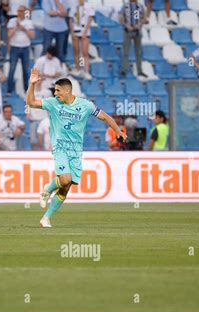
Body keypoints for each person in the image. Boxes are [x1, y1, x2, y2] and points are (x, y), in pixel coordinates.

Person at [26, 69, 127, 228]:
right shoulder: (53, 104)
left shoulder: (85, 105)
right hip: (60, 147)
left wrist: (118, 130)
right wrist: (31, 85)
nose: (55, 94)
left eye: (58, 90)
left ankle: (46, 218)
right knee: (64, 179)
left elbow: (105, 117)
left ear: (67, 91)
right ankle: (47, 189)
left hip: (76, 151)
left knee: (66, 187)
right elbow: (31, 102)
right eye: (54, 91)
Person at [6, 5, 35, 96]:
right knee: (12, 69)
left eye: (22, 11)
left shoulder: (29, 22)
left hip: (25, 48)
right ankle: (9, 90)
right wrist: (16, 27)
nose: (20, 12)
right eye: (18, 11)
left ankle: (26, 89)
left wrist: (23, 28)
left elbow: (32, 36)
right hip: (14, 48)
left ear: (25, 12)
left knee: (26, 70)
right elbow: (9, 35)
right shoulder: (12, 21)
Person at [119, 0, 147, 78]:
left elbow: (144, 18)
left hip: (137, 32)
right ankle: (124, 69)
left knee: (138, 52)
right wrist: (126, 25)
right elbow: (121, 18)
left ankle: (139, 70)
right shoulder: (125, 6)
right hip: (127, 31)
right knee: (126, 52)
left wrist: (139, 24)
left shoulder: (139, 6)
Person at [68, 0, 94, 80]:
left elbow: (90, 19)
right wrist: (72, 32)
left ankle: (86, 71)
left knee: (85, 52)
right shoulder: (73, 6)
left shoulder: (89, 6)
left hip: (85, 31)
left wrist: (85, 32)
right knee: (76, 51)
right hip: (76, 30)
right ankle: (78, 68)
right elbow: (70, 19)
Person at [27, 84, 51, 150]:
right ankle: (34, 157)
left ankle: (44, 157)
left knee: (44, 140)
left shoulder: (47, 92)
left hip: (44, 118)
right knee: (33, 141)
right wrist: (28, 113)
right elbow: (27, 103)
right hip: (34, 119)